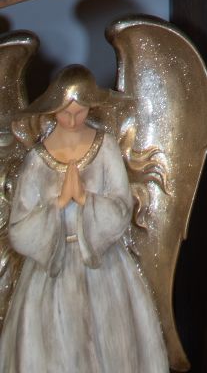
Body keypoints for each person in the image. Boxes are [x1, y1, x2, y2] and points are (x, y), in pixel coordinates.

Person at [0, 68, 169, 372]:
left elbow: (121, 209)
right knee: (52, 352)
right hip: (49, 275)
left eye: (80, 111)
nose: (73, 119)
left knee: (112, 347)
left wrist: (84, 199)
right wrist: (58, 204)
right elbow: (19, 230)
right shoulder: (37, 160)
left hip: (103, 269)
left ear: (91, 107)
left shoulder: (105, 148)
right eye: (66, 112)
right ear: (54, 109)